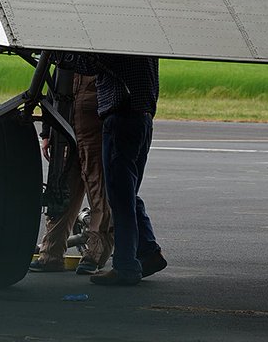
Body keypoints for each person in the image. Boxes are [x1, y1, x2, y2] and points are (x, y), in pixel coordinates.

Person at [62, 53, 165, 286]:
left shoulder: (118, 42)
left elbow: (88, 63)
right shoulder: (146, 43)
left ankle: (125, 265)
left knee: (119, 197)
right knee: (128, 193)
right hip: (142, 117)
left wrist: (59, 54)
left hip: (121, 116)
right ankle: (148, 252)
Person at [28, 69, 113, 275]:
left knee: (99, 195)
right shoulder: (65, 63)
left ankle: (94, 255)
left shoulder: (99, 62)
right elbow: (53, 95)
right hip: (67, 134)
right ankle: (51, 254)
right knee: (62, 193)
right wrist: (47, 133)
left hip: (93, 135)